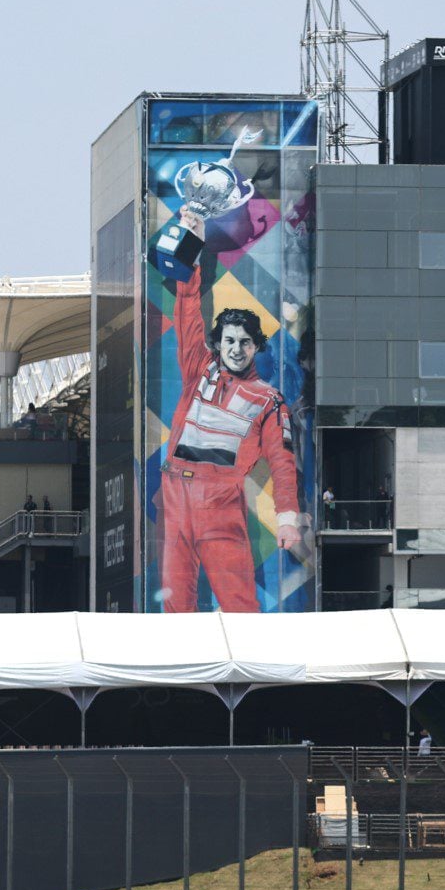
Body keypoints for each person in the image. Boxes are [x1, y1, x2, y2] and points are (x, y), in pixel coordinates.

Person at [157, 208, 303, 614]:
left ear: (256, 347)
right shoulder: (198, 369)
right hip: (175, 495)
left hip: (219, 502)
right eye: (229, 341)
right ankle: (179, 678)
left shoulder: (268, 400)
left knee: (240, 609)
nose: (236, 349)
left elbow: (282, 461)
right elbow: (187, 306)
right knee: (175, 606)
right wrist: (194, 241)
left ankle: (255, 674)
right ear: (218, 343)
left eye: (244, 342)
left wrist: (287, 516)